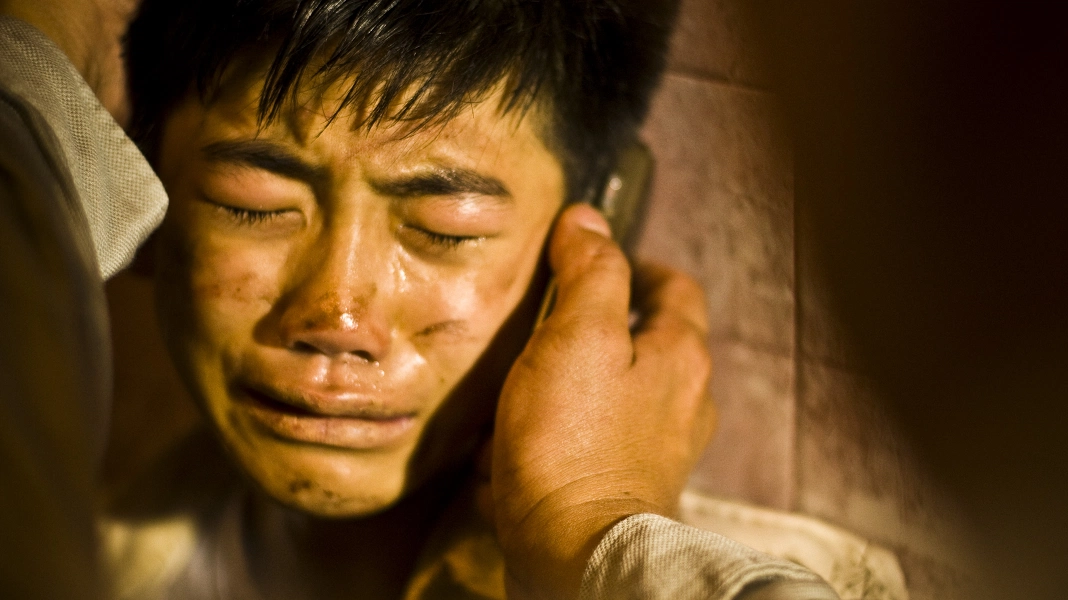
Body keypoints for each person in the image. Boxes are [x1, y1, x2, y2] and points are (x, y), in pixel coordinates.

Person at [1, 0, 840, 598]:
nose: (336, 317)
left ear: (603, 224)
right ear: (139, 187)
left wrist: (590, 534)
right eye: (252, 205)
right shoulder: (77, 553)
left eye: (444, 227)